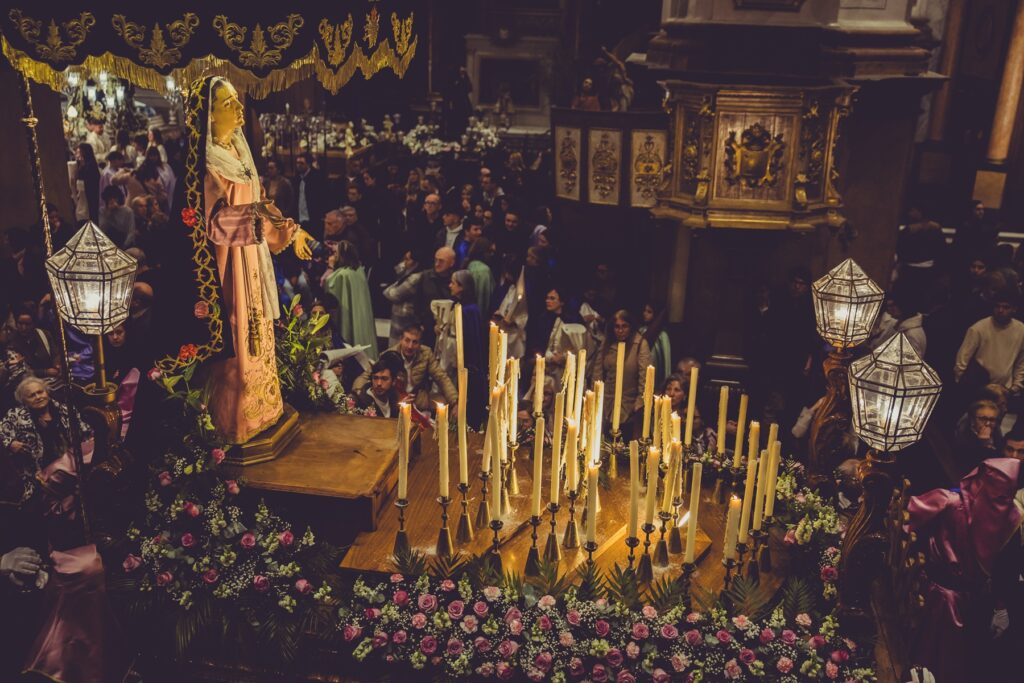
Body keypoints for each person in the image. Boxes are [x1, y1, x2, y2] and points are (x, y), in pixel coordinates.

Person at [169, 76, 313, 444]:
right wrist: (254, 217)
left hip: (252, 254)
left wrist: (291, 231)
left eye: (237, 101)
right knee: (236, 335)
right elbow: (212, 222)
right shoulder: (205, 166)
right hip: (228, 265)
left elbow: (260, 202)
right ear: (209, 114)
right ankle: (233, 422)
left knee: (258, 332)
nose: (237, 109)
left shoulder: (238, 153)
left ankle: (263, 410)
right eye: (228, 103)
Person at [906, 458, 1022, 683]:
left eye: (1005, 495)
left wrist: (1000, 607)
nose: (998, 501)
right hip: (932, 593)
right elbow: (904, 520)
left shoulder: (1010, 519)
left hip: (969, 604)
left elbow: (1007, 566)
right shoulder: (950, 501)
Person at [353, 324, 457, 414]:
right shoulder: (390, 355)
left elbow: (441, 377)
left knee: (444, 403)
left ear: (420, 343)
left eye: (415, 342)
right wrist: (356, 394)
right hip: (396, 402)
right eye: (407, 340)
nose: (410, 346)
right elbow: (366, 375)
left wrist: (455, 402)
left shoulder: (426, 353)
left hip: (419, 401)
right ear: (401, 340)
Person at [954, 290, 1024, 398]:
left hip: (1006, 390)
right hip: (980, 389)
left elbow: (1021, 362)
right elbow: (962, 361)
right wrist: (964, 386)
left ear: (1014, 309)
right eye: (997, 306)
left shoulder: (1021, 330)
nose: (1000, 310)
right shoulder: (978, 329)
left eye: (1006, 307)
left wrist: (1015, 388)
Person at [593, 310, 651, 433]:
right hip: (607, 401)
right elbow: (598, 372)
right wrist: (596, 396)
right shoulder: (607, 343)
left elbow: (644, 376)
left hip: (629, 404)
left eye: (624, 326)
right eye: (617, 327)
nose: (620, 330)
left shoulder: (639, 344)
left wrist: (640, 402)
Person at [323, 240, 378, 361]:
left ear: (342, 255)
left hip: (347, 315)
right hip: (362, 317)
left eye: (336, 253)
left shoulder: (342, 275)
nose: (333, 256)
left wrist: (331, 266)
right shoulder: (359, 271)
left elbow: (327, 282)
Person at [414, 246, 456, 347]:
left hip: (449, 334)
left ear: (452, 263)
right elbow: (416, 304)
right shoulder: (425, 277)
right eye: (436, 260)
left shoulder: (455, 281)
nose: (437, 264)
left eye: (441, 261)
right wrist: (422, 325)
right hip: (427, 332)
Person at [383, 251, 423, 347]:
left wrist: (388, 289)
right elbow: (397, 269)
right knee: (394, 350)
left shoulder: (415, 277)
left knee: (404, 349)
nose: (404, 262)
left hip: (405, 322)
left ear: (415, 263)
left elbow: (394, 294)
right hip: (398, 322)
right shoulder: (406, 274)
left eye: (407, 259)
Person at [953, 399, 1002, 475]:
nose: (988, 423)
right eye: (983, 419)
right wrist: (984, 446)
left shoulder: (997, 433)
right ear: (972, 420)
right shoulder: (963, 437)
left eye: (992, 420)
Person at [291, 152, 330, 237]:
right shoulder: (296, 178)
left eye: (301, 163)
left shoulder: (317, 177)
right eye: (297, 163)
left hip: (314, 219)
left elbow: (324, 197)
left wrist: (322, 215)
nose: (298, 165)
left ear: (308, 164)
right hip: (299, 219)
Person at [354, 352, 401, 417]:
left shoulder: (393, 398)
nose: (379, 383)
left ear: (394, 381)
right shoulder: (361, 402)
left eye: (384, 379)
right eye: (375, 378)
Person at [640, 302, 672, 387]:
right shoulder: (641, 330)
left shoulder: (662, 335)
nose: (645, 314)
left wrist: (667, 380)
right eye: (644, 311)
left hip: (656, 371)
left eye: (649, 312)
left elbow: (666, 358)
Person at [71, 143, 101, 224]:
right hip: (83, 191)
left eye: (80, 151)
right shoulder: (82, 163)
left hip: (90, 191)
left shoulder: (90, 165)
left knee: (90, 212)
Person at [465, 236, 494, 314]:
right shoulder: (483, 271)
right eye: (490, 251)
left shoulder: (470, 265)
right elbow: (482, 298)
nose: (492, 255)